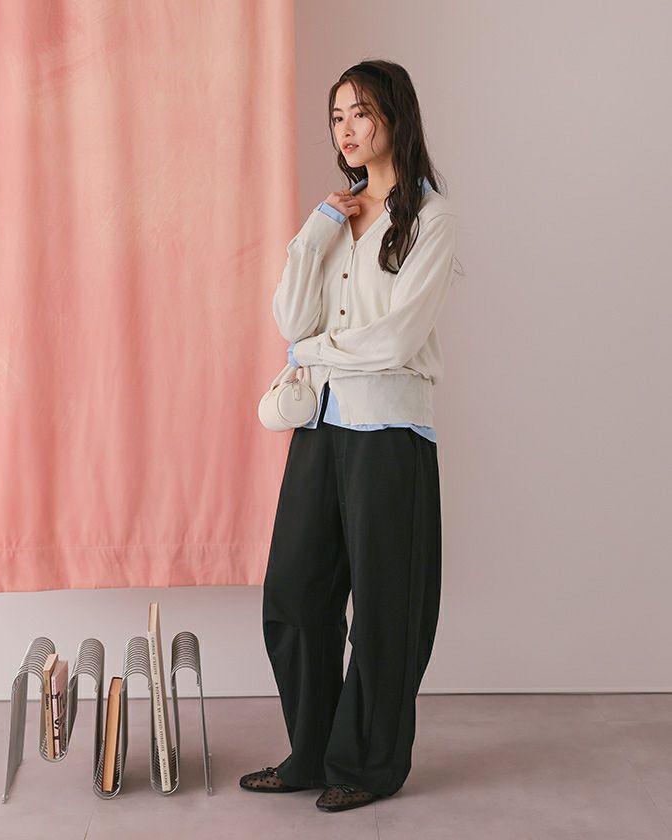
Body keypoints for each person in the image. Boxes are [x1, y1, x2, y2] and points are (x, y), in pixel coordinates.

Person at [240, 58, 459, 813]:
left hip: (391, 429)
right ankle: (312, 753)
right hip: (322, 424)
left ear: (395, 116)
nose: (347, 129)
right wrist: (316, 229)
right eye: (337, 117)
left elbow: (396, 338)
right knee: (295, 591)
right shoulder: (335, 217)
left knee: (387, 605)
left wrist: (312, 353)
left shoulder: (431, 217)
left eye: (361, 112)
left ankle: (366, 765)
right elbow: (289, 316)